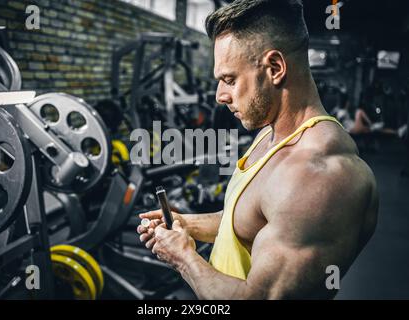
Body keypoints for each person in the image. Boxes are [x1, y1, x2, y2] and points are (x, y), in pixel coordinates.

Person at [137, 0, 378, 299]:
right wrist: (187, 223)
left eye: (229, 79)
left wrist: (184, 258)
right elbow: (244, 223)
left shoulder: (318, 177)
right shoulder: (269, 132)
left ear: (275, 68)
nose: (219, 96)